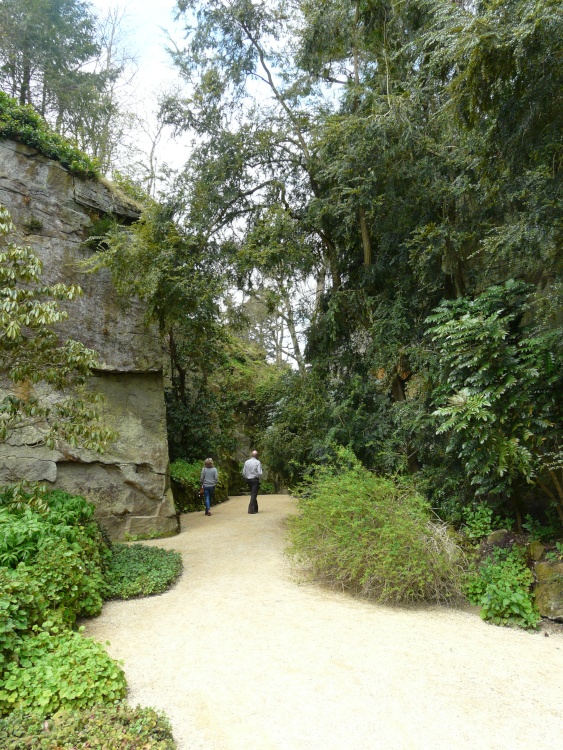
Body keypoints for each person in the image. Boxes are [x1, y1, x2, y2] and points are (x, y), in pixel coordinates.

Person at [242, 450, 262, 514]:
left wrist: (246, 477)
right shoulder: (258, 462)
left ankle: (255, 508)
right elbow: (260, 472)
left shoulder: (246, 462)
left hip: (248, 480)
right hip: (255, 479)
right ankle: (250, 509)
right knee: (254, 494)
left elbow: (243, 472)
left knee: (253, 494)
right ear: (256, 456)